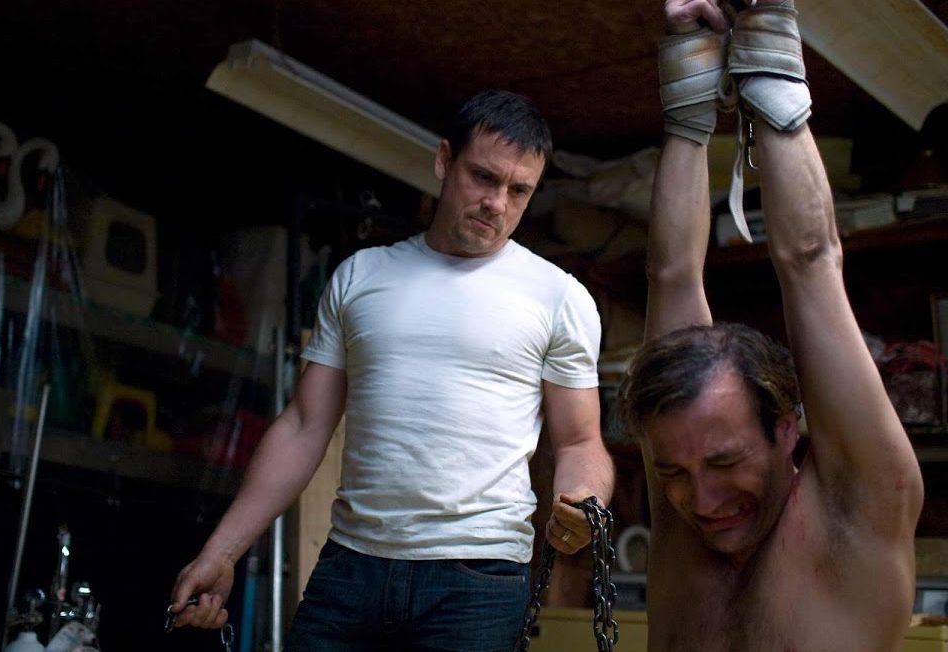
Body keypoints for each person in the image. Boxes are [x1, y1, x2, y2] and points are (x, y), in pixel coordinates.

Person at [169, 89, 615, 651]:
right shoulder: (360, 277)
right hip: (350, 569)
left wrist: (583, 502)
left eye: (518, 190)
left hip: (477, 581)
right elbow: (304, 425)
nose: (497, 203)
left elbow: (580, 441)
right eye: (482, 177)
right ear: (444, 160)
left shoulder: (559, 297)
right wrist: (222, 551)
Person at [618, 1, 924, 650]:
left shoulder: (856, 513)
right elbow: (670, 276)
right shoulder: (686, 504)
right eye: (672, 473)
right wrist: (688, 92)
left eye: (725, 460)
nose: (701, 501)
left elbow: (811, 263)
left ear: (787, 429)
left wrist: (770, 44)